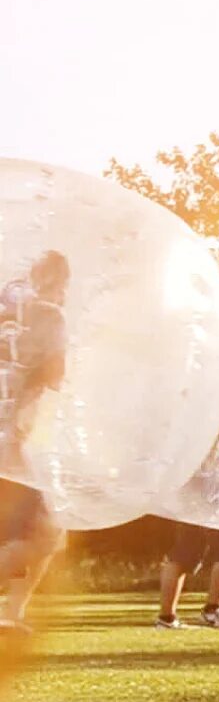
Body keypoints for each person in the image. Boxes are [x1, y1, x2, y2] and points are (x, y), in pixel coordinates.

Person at [0, 251, 71, 633]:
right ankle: (12, 613)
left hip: (10, 438)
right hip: (13, 439)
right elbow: (55, 374)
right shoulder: (50, 317)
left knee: (24, 532)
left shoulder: (8, 316)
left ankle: (12, 614)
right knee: (47, 533)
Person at [155, 522, 219, 630]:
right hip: (215, 508)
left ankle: (166, 619)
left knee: (182, 554)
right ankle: (212, 610)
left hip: (191, 508)